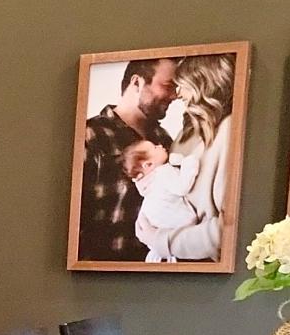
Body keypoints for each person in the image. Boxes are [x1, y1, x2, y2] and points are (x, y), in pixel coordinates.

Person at [134, 53, 237, 262]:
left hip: (207, 272)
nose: (178, 94)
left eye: (182, 84)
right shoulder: (185, 135)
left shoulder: (230, 131)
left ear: (204, 83)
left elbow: (229, 231)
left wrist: (160, 240)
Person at [79, 57, 177, 260]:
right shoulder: (89, 135)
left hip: (157, 277)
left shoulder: (166, 141)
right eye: (168, 86)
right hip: (98, 278)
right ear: (137, 82)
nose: (174, 95)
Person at [119, 138, 201, 262]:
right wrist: (189, 164)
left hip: (156, 229)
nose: (160, 145)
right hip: (178, 225)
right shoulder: (162, 173)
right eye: (155, 147)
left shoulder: (145, 185)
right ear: (148, 164)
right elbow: (182, 187)